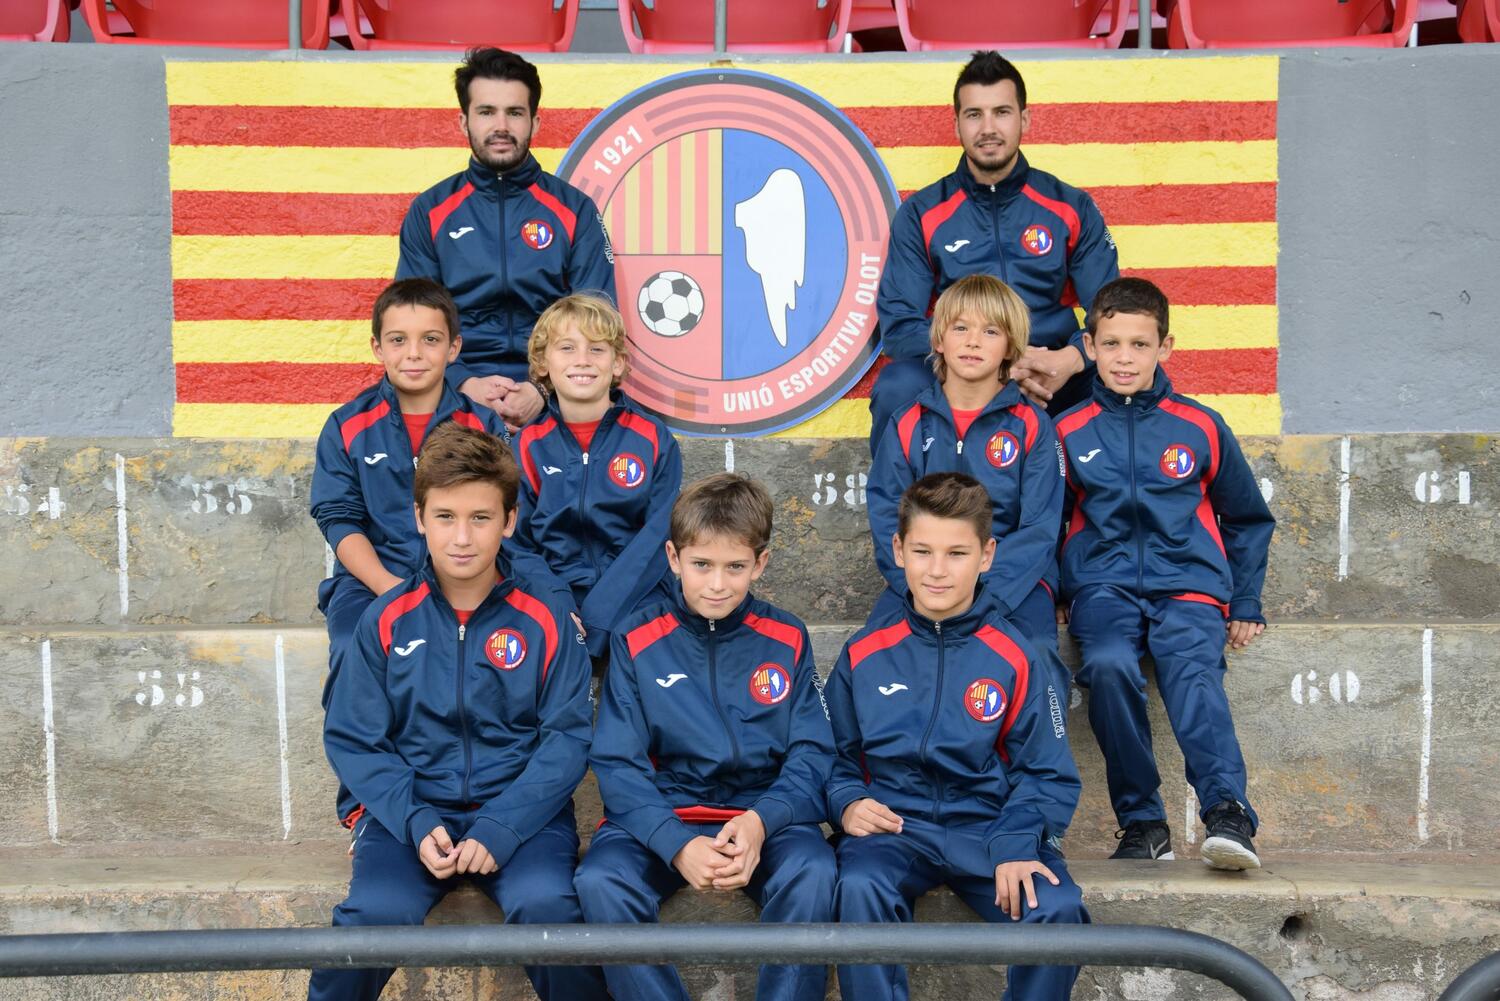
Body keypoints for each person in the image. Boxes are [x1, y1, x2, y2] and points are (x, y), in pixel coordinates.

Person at [309, 422, 608, 1001]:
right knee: (372, 917)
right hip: (410, 816)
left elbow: (568, 739)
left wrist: (503, 826)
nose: (462, 538)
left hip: (523, 815)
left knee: (548, 911)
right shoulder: (385, 620)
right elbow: (354, 738)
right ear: (419, 518)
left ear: (509, 521)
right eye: (445, 517)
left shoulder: (546, 621)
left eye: (481, 518)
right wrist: (414, 820)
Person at [575, 473, 837, 1001]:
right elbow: (618, 761)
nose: (717, 583)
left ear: (760, 563)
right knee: (600, 881)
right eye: (702, 565)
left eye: (734, 566)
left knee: (813, 872)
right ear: (673, 558)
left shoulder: (786, 636)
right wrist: (676, 844)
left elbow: (812, 749)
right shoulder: (637, 638)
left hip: (761, 813)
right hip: (666, 810)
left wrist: (762, 821)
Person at [826, 472, 1085, 1001]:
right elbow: (830, 755)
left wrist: (1016, 842)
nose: (938, 570)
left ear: (987, 555)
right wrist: (847, 801)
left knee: (1058, 911)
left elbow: (1048, 773)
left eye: (957, 553)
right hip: (895, 829)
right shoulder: (864, 653)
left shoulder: (1018, 656)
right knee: (858, 886)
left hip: (989, 831)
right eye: (923, 551)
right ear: (899, 550)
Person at [1056, 277, 1275, 868]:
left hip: (1188, 587)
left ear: (1165, 347)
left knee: (1192, 674)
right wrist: (1057, 590)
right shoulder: (1068, 430)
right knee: (1107, 666)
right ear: (1090, 347)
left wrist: (1245, 601)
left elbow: (1247, 517)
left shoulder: (1199, 425)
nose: (1124, 358)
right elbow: (1050, 519)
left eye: (1140, 344)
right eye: (1111, 344)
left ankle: (1227, 813)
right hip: (1103, 587)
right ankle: (1143, 823)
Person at [309, 278, 507, 825]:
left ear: (454, 348)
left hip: (466, 575)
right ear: (377, 347)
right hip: (374, 579)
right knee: (352, 643)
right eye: (398, 340)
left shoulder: (481, 424)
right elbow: (338, 518)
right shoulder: (348, 425)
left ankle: (477, 797)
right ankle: (363, 806)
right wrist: (391, 590)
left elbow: (501, 513)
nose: (413, 353)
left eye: (430, 339)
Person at [871, 49, 1119, 451]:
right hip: (961, 368)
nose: (988, 128)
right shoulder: (922, 213)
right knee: (897, 385)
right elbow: (900, 328)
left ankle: (1100, 495)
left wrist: (1071, 358)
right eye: (974, 115)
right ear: (956, 124)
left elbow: (1112, 313)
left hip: (1051, 370)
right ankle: (902, 495)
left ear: (1024, 119)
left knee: (1128, 378)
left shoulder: (1071, 207)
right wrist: (990, 362)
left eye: (1001, 112)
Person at [396, 46, 616, 431]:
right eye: (486, 112)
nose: (501, 126)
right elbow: (411, 322)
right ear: (463, 122)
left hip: (556, 388)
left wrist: (541, 387)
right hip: (455, 388)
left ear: (535, 122)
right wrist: (465, 384)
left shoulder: (575, 210)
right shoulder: (429, 212)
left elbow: (596, 320)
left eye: (514, 113)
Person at [866, 275, 1066, 676]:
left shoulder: (1031, 427)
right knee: (875, 649)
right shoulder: (908, 423)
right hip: (927, 580)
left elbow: (1039, 529)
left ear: (1011, 347)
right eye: (960, 328)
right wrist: (917, 585)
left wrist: (985, 597)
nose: (973, 342)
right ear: (939, 339)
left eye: (990, 331)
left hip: (1011, 584)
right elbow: (887, 512)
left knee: (1038, 653)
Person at [509, 293, 682, 662]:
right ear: (543, 362)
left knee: (643, 648)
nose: (582, 360)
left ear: (617, 363)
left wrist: (600, 616)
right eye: (567, 348)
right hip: (555, 590)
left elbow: (658, 537)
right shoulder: (527, 446)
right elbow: (516, 543)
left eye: (597, 349)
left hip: (636, 592)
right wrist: (555, 600)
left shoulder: (652, 439)